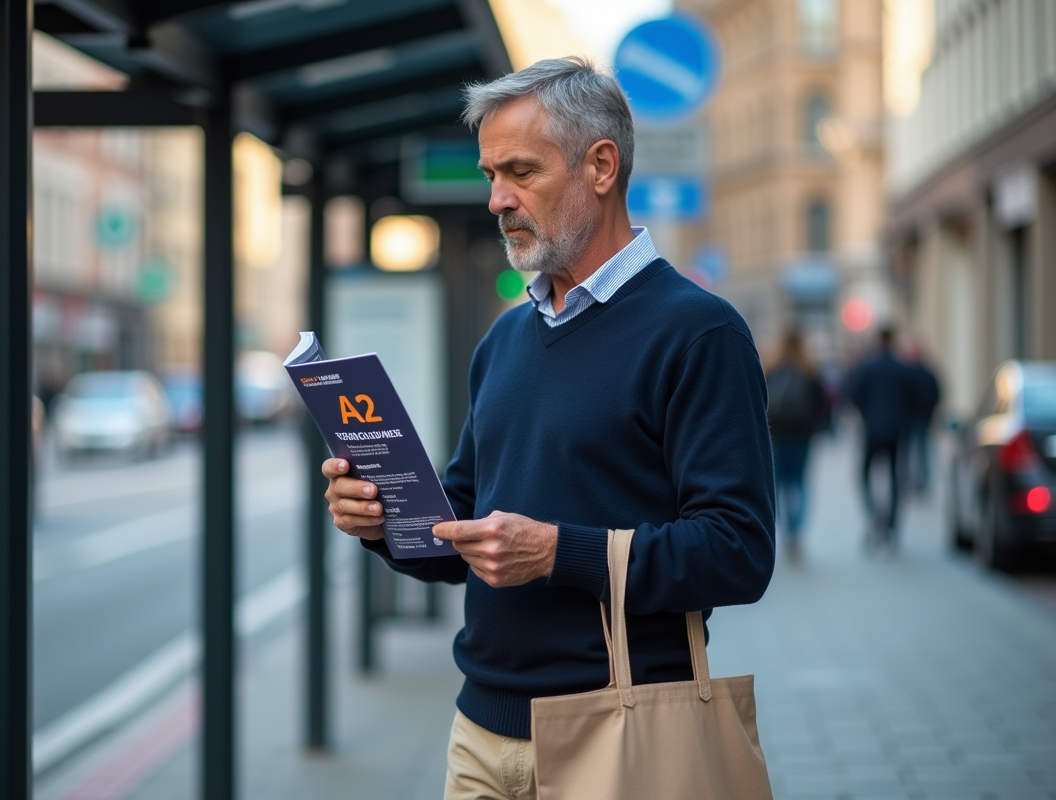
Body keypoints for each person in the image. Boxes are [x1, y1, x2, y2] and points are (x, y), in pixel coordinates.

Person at [322, 57, 775, 800]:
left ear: (601, 167)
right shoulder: (505, 338)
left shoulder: (700, 333)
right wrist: (382, 520)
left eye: (521, 172)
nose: (497, 199)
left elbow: (739, 552)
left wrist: (558, 552)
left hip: (622, 732)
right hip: (478, 734)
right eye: (490, 174)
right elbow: (463, 525)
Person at [844, 326, 918, 551]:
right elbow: (917, 396)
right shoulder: (904, 368)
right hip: (897, 430)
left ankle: (874, 514)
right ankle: (891, 524)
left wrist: (867, 413)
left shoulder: (867, 366)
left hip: (872, 429)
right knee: (896, 478)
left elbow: (852, 393)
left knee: (864, 474)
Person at [765, 329, 826, 563]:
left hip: (775, 434)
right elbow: (822, 404)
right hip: (802, 435)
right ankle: (795, 532)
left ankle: (777, 530)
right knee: (799, 483)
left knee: (776, 485)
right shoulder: (809, 370)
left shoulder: (771, 368)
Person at [902, 341, 941, 495]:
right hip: (918, 417)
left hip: (917, 417)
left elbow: (935, 394)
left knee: (915, 449)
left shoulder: (911, 373)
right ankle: (918, 479)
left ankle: (916, 480)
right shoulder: (925, 373)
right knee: (919, 449)